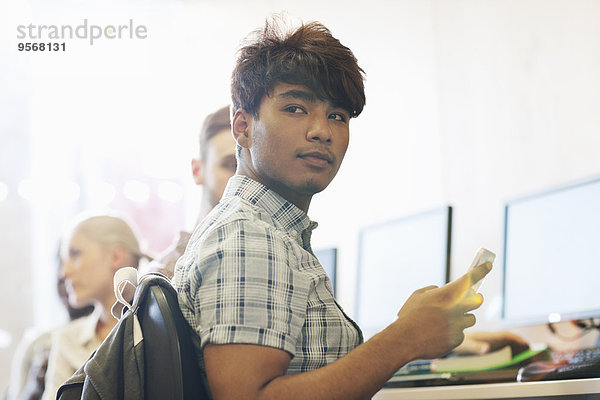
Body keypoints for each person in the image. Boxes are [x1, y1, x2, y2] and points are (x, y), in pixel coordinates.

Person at [173, 18, 527, 400]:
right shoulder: (248, 236)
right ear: (242, 127)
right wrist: (402, 340)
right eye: (295, 108)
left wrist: (409, 332)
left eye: (337, 116)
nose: (321, 130)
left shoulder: (269, 231)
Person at [40, 213, 149, 400]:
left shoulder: (154, 332)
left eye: (75, 254)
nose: (64, 272)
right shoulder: (67, 339)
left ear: (116, 256)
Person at [143, 105, 237, 279]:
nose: (244, 179)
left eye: (253, 169)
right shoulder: (164, 275)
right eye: (232, 165)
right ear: (197, 171)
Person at [7, 247, 95, 400]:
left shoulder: (113, 338)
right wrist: (35, 388)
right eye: (60, 278)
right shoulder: (37, 343)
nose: (65, 279)